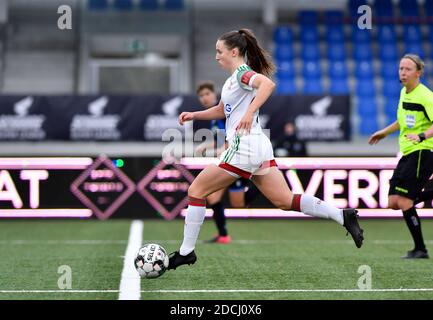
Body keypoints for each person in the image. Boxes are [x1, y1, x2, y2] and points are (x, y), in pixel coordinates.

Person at [168, 29, 364, 270]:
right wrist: (194, 115)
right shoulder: (232, 80)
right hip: (259, 145)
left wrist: (250, 112)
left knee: (196, 190)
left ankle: (187, 252)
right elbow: (222, 110)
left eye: (219, 51)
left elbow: (267, 85)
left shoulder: (242, 73)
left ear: (234, 51)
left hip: (244, 146)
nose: (216, 56)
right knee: (284, 200)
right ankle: (341, 215)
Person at [369, 54, 433, 259]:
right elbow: (401, 121)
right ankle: (420, 249)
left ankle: (420, 249)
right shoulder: (404, 93)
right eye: (401, 69)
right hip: (408, 152)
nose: (403, 73)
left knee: (405, 201)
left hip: (423, 151)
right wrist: (384, 132)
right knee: (393, 202)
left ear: (418, 72)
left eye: (407, 69)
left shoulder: (425, 96)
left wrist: (422, 135)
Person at [195, 81, 259, 243]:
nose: (204, 98)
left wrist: (215, 150)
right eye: (201, 96)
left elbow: (231, 141)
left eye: (207, 94)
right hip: (227, 160)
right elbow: (221, 139)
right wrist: (205, 146)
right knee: (213, 198)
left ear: (215, 95)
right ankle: (223, 235)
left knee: (238, 204)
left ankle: (261, 183)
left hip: (236, 160)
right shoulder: (214, 119)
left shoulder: (223, 112)